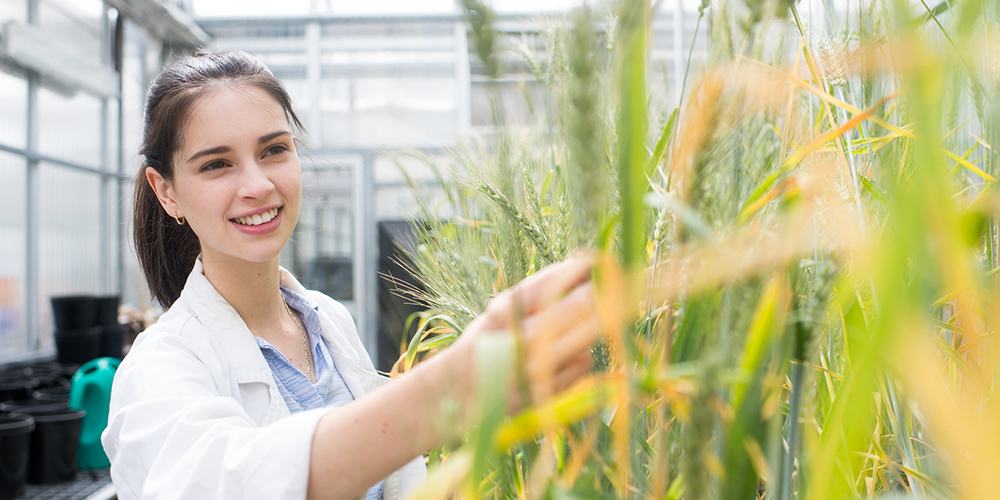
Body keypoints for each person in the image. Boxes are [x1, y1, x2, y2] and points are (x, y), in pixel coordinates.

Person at [102, 50, 602, 500]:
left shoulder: (328, 320)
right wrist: (447, 393)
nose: (257, 185)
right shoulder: (159, 368)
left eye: (274, 150)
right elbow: (224, 484)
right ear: (166, 191)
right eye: (216, 165)